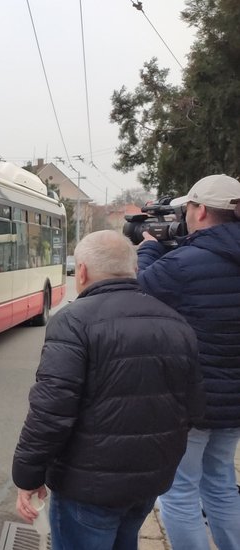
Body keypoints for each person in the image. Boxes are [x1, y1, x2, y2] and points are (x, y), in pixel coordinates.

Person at [13, 229, 204, 550]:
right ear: (135, 269)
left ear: (82, 271)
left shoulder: (73, 322)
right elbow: (195, 408)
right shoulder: (176, 322)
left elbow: (50, 412)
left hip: (86, 488)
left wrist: (27, 477)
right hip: (148, 483)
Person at [137, 174, 240, 549]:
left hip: (191, 400)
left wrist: (149, 249)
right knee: (220, 481)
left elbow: (139, 291)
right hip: (234, 401)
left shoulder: (182, 262)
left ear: (198, 211)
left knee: (179, 491)